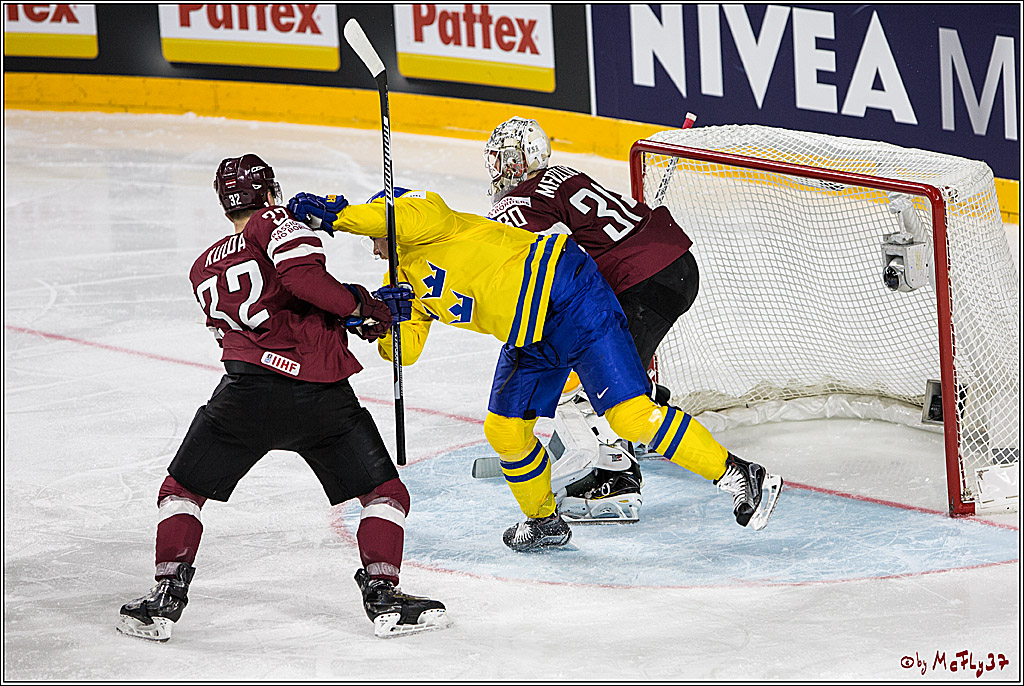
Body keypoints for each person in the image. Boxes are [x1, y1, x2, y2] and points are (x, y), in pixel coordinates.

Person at [286, 185, 783, 553]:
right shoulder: (402, 279)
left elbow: (402, 215)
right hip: (528, 335)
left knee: (630, 417)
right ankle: (544, 520)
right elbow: (406, 352)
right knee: (503, 430)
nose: (372, 247)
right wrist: (377, 322)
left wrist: (339, 215)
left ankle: (741, 476)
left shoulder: (431, 219)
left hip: (571, 297)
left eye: (375, 236)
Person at [116, 154, 449, 642]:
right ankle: (384, 597)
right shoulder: (277, 222)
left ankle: (165, 599)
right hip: (321, 399)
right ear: (269, 190)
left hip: (244, 395)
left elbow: (269, 314)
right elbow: (303, 282)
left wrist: (352, 309)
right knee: (384, 495)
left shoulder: (201, 266)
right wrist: (365, 304)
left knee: (181, 492)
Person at [481, 116, 700, 523]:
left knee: (575, 372)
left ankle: (614, 473)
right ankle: (644, 414)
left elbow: (541, 266)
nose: (496, 169)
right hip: (675, 266)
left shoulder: (517, 204)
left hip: (642, 282)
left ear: (516, 161)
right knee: (611, 358)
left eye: (502, 159)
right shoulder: (563, 176)